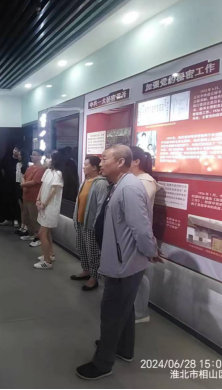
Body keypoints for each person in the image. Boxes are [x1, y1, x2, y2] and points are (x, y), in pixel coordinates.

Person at [76, 145, 158, 380]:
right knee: (125, 308)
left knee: (112, 313)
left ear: (121, 162)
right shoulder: (119, 184)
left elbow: (141, 229)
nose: (100, 163)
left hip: (125, 263)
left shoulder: (129, 188)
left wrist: (151, 251)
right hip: (121, 260)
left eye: (104, 159)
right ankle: (123, 347)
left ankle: (102, 363)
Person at [130, 146, 160, 323]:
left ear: (136, 161)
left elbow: (137, 208)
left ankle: (141, 312)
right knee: (134, 273)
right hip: (131, 233)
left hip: (139, 233)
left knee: (140, 274)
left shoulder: (146, 181)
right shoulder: (133, 180)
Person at [70, 155, 109, 291]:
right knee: (82, 248)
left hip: (91, 225)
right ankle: (86, 270)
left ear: (94, 167)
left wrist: (97, 225)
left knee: (93, 252)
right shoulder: (86, 181)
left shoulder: (101, 183)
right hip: (81, 222)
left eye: (86, 164)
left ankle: (94, 277)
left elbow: (101, 206)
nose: (83, 167)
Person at [33, 151, 64, 269]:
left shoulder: (58, 173)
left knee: (42, 233)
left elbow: (53, 191)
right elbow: (42, 186)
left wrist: (44, 204)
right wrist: (38, 199)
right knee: (47, 232)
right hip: (43, 204)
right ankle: (50, 254)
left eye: (49, 158)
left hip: (51, 206)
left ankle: (47, 261)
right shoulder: (47, 171)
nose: (46, 160)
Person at [19, 149, 46, 247]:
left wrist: (23, 185)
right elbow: (24, 177)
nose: (32, 156)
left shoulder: (42, 168)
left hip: (34, 196)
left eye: (34, 155)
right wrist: (24, 184)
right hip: (26, 195)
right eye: (32, 154)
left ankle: (38, 237)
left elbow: (35, 181)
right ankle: (31, 234)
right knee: (26, 217)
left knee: (34, 218)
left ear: (40, 156)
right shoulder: (30, 167)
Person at [0, 146, 21, 228]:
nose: (15, 151)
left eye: (17, 150)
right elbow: (2, 169)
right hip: (7, 183)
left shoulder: (20, 160)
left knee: (16, 202)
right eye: (15, 149)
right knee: (7, 201)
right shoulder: (7, 159)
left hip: (17, 184)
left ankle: (16, 219)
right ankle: (7, 219)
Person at [15, 149, 30, 234]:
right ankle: (22, 225)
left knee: (26, 208)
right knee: (22, 208)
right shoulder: (18, 164)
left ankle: (26, 227)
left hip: (25, 186)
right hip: (18, 185)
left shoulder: (29, 165)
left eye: (20, 155)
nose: (18, 156)